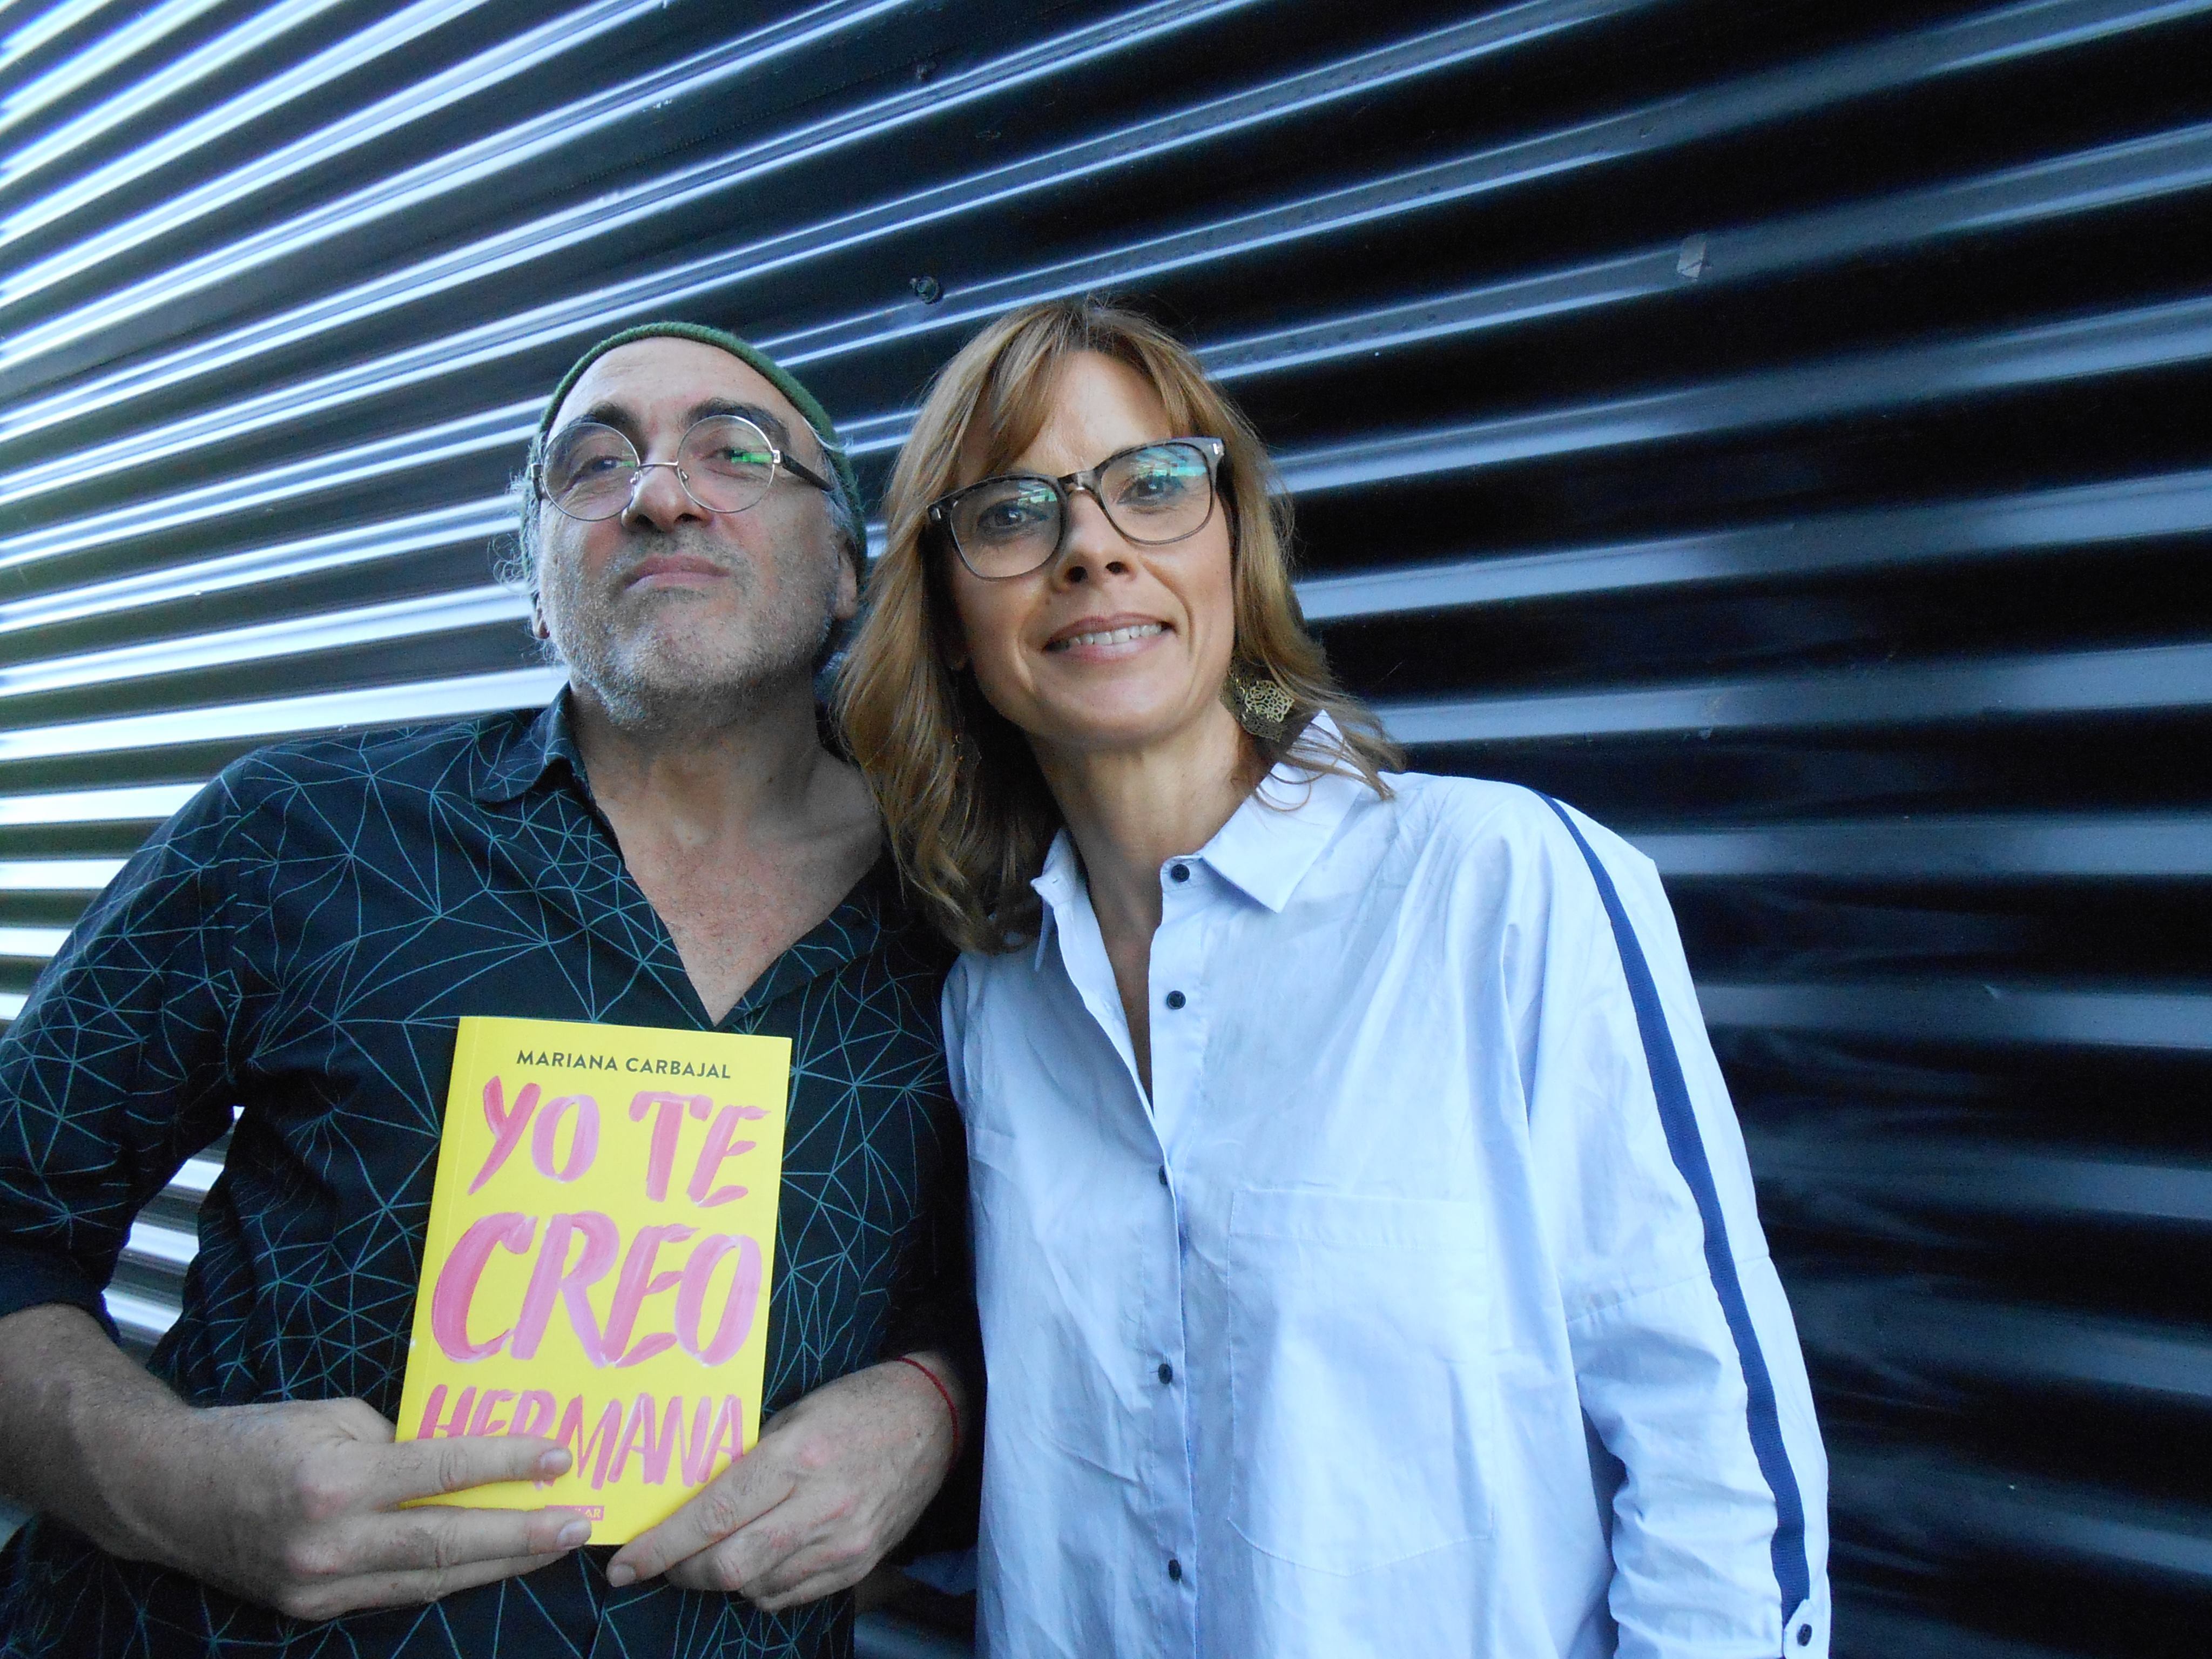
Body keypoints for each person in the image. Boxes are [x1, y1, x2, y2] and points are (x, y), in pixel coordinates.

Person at [837, 298, 1830, 1658]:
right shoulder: (992, 1005)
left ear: (1229, 546)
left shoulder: (1498, 883)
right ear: (950, 619)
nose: (1091, 548)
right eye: (1011, 514)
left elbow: (1707, 1442)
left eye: (1151, 487)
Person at [0, 322, 976, 1659]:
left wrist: (935, 1408)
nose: (660, 494)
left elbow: (1076, 1304)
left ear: (845, 570)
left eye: (734, 452)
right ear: (536, 588)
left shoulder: (972, 922)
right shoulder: (300, 833)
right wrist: (170, 1486)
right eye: (593, 464)